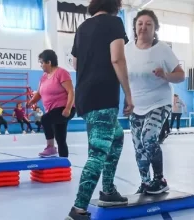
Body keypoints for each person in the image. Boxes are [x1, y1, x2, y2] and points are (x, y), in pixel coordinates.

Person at [65, 0, 134, 219]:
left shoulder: (82, 27)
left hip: (85, 95)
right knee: (97, 153)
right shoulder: (114, 22)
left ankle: (108, 190)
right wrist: (128, 94)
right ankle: (78, 208)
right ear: (115, 4)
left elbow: (75, 64)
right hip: (103, 94)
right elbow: (117, 58)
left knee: (116, 137)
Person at [125, 9, 185, 195]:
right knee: (138, 146)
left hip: (159, 102)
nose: (143, 27)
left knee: (149, 138)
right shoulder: (126, 49)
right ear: (135, 27)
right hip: (136, 104)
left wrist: (165, 75)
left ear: (155, 29)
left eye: (148, 24)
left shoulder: (163, 50)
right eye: (140, 23)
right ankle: (145, 182)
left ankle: (159, 179)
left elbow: (181, 75)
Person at [29, 49, 75, 158]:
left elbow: (70, 92)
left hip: (64, 108)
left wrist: (68, 108)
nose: (40, 65)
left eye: (41, 62)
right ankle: (64, 167)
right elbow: (39, 94)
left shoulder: (61, 73)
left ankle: (50, 147)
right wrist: (30, 102)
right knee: (60, 139)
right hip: (53, 111)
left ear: (49, 62)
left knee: (45, 119)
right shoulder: (43, 77)